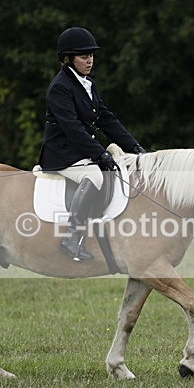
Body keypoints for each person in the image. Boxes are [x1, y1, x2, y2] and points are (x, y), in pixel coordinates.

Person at [40, 26, 147, 261]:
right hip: (62, 153)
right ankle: (71, 238)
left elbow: (106, 119)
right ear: (68, 59)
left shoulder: (86, 84)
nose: (90, 61)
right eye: (84, 56)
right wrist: (100, 154)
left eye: (91, 56)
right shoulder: (60, 87)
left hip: (80, 150)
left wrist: (135, 147)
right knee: (96, 177)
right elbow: (72, 128)